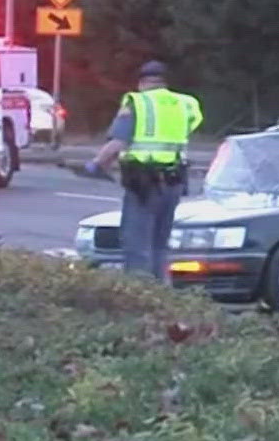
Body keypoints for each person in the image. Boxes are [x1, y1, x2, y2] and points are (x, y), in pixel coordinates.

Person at [86, 60, 204, 282]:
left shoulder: (137, 103)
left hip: (144, 183)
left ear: (142, 83)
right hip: (174, 180)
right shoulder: (185, 104)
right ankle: (163, 298)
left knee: (137, 245)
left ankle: (141, 301)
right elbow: (187, 126)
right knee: (160, 245)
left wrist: (98, 163)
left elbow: (119, 141)